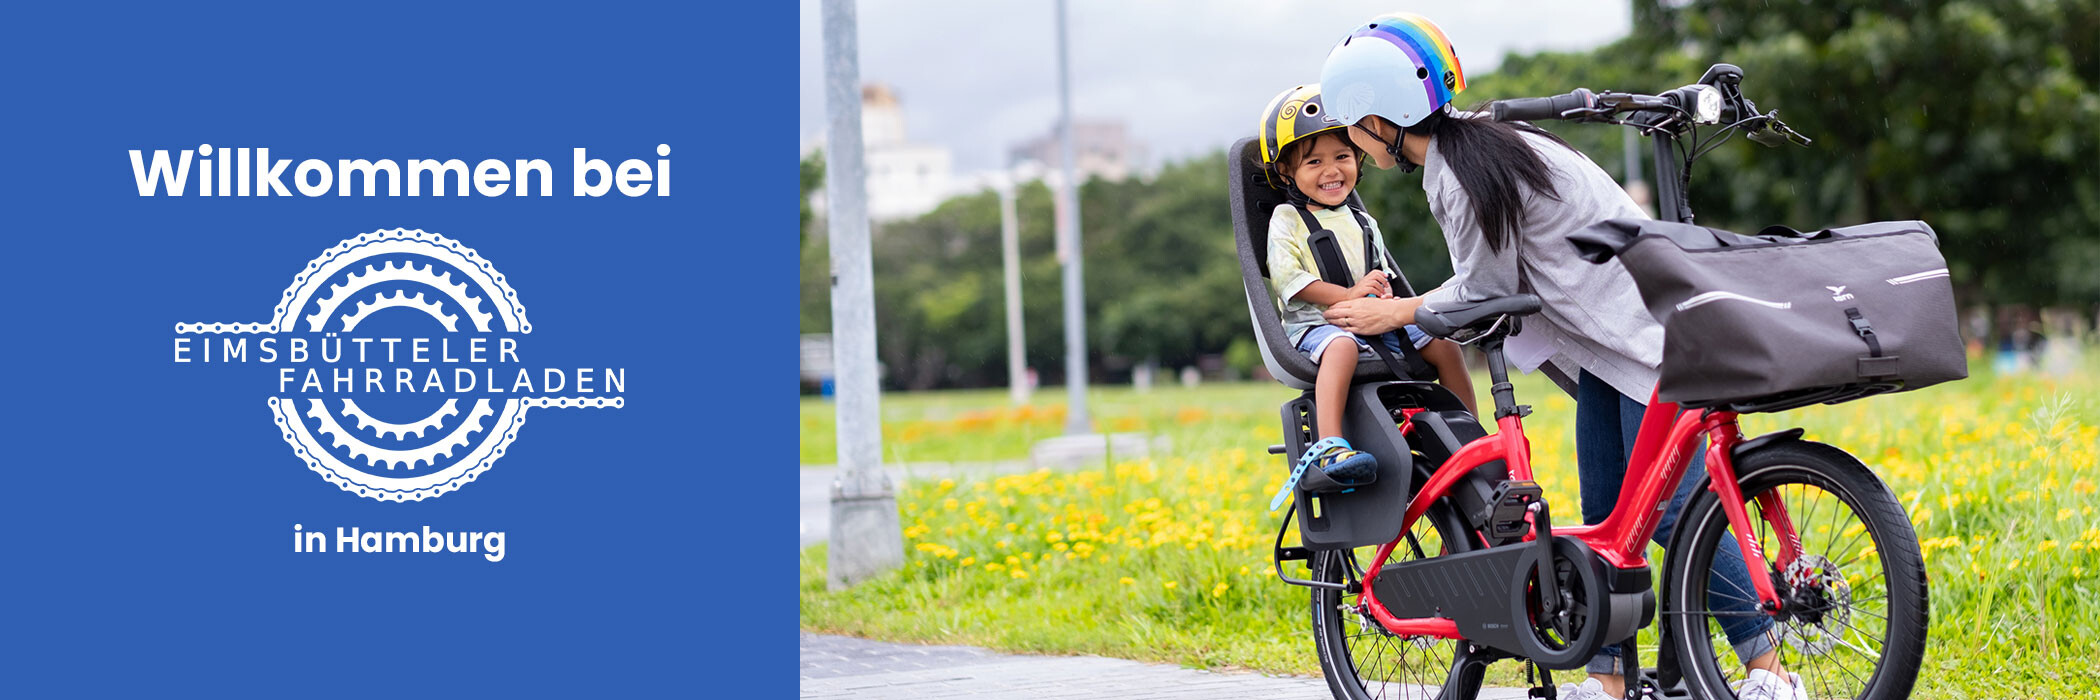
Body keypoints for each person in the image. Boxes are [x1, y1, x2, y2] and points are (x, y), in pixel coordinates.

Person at [1316, 13, 1806, 700]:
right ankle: (1607, 682)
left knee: (1666, 509)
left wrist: (1392, 310)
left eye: (1355, 131)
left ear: (1382, 117)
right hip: (1608, 343)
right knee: (1610, 516)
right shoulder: (1490, 142)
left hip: (1640, 336)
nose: (1358, 149)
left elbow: (1486, 290)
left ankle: (1768, 670)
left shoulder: (1458, 172)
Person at [1257, 83, 1478, 502]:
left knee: (1442, 342)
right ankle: (1330, 448)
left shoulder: (1363, 221)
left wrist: (1381, 298)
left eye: (1341, 157)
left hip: (1368, 319)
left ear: (1358, 156)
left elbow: (1381, 275)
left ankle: (1467, 433)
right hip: (1316, 325)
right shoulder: (1287, 219)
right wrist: (1350, 295)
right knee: (1341, 349)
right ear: (1287, 172)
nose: (1331, 171)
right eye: (1314, 162)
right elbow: (1291, 283)